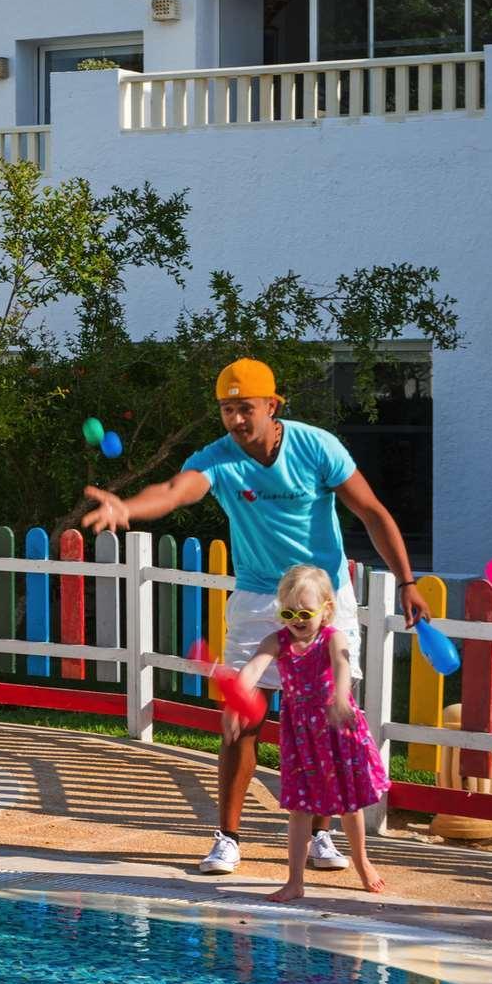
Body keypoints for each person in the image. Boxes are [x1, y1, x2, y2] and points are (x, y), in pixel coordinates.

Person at [83, 358, 430, 876]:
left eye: (246, 408)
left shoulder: (317, 447)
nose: (237, 420)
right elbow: (175, 492)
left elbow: (372, 512)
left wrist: (406, 580)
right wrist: (129, 508)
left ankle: (322, 836)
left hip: (322, 597)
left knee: (327, 720)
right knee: (242, 722)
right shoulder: (218, 459)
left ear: (273, 405)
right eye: (227, 409)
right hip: (258, 599)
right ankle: (227, 837)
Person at [228, 564, 390, 899]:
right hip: (301, 737)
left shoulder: (333, 637)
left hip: (336, 730)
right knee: (299, 808)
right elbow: (254, 667)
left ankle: (362, 862)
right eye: (288, 612)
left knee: (349, 804)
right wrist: (236, 701)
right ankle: (295, 881)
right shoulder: (278, 640)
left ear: (327, 609)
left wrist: (341, 697)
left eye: (305, 612)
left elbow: (343, 665)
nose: (297, 619)